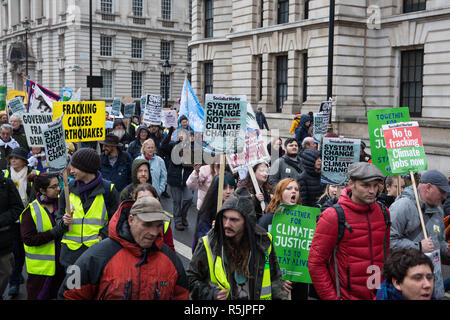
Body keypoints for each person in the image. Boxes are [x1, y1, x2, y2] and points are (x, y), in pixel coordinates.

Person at [58, 196, 189, 300]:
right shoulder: (98, 256)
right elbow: (68, 295)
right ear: (131, 220)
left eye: (158, 225)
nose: (154, 232)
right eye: (147, 224)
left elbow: (182, 295)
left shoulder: (170, 260)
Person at [308, 162, 391, 300]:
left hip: (378, 295)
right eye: (366, 185)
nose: (372, 191)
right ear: (351, 184)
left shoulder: (384, 212)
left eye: (375, 186)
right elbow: (316, 263)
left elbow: (386, 255)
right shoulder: (333, 215)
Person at [187, 187, 287, 300]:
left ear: (247, 222)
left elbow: (275, 280)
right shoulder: (209, 243)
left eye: (234, 220)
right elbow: (190, 279)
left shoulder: (263, 241)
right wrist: (211, 294)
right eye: (224, 218)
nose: (227, 224)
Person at [56, 147, 120, 270]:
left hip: (99, 255)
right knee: (74, 289)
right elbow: (58, 221)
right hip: (71, 258)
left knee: (96, 289)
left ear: (87, 168)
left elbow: (116, 221)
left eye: (75, 167)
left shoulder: (108, 190)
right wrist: (63, 223)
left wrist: (102, 237)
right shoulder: (67, 190)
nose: (71, 170)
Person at [19, 173, 66, 300]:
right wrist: (54, 232)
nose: (58, 189)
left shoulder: (64, 205)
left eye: (59, 185)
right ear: (42, 190)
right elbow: (28, 239)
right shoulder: (31, 211)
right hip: (41, 272)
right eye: (54, 186)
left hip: (62, 266)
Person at [257, 178, 304, 299]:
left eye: (296, 189)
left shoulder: (305, 222)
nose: (293, 192)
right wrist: (278, 278)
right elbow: (260, 254)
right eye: (289, 189)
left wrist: (294, 276)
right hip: (273, 283)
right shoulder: (267, 220)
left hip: (297, 283)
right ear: (279, 193)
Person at [389, 170, 450, 260]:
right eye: (442, 191)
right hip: (407, 271)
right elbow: (389, 241)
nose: (445, 197)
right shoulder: (402, 206)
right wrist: (419, 247)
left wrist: (447, 250)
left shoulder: (438, 211)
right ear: (428, 187)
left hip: (432, 272)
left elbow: (439, 243)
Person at [3, 147, 39, 297]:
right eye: (11, 158)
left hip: (30, 218)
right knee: (15, 252)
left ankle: (20, 275)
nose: (13, 161)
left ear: (24, 160)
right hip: (13, 219)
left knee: (27, 251)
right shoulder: (5, 174)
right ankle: (14, 281)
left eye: (16, 158)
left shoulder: (34, 174)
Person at [192, 172, 236, 252]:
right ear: (216, 189)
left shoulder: (237, 208)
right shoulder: (207, 212)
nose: (228, 191)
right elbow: (201, 241)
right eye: (224, 188)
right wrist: (213, 231)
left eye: (231, 187)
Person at [160, 127, 194, 231]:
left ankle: (183, 216)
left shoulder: (192, 147)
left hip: (187, 179)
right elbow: (163, 146)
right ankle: (178, 221)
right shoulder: (173, 145)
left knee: (188, 198)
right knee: (177, 201)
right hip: (175, 179)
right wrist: (170, 131)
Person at [0, 166, 24, 299]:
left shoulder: (6, 183)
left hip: (3, 240)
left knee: (5, 272)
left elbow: (17, 208)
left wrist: (2, 220)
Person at [133, 183, 175, 252]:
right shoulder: (125, 222)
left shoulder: (164, 224)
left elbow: (170, 251)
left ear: (156, 199)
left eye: (149, 199)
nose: (145, 203)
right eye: (140, 199)